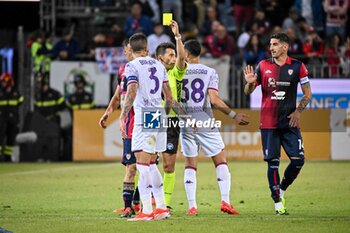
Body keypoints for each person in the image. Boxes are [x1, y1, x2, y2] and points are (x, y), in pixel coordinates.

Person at [243, 33, 312, 215]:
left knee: (298, 161)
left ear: (285, 47)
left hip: (290, 123)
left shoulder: (298, 66)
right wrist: (250, 84)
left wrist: (298, 111)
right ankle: (277, 202)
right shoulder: (263, 65)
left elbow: (307, 94)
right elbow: (248, 90)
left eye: (275, 44)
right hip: (269, 124)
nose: (271, 48)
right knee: (272, 163)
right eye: (270, 44)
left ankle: (281, 190)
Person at [120, 33, 185, 221]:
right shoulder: (158, 65)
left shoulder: (131, 66)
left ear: (130, 50)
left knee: (142, 164)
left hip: (144, 115)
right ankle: (162, 208)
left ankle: (147, 210)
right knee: (150, 163)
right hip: (158, 114)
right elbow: (169, 97)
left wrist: (123, 116)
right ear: (147, 48)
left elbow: (131, 91)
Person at [180, 39, 249, 215]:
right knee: (220, 160)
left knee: (190, 164)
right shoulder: (210, 72)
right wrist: (234, 115)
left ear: (186, 54)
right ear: (199, 53)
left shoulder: (178, 72)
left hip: (185, 121)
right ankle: (225, 201)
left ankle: (192, 206)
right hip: (204, 120)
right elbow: (215, 100)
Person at [99, 39, 141, 218]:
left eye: (127, 48)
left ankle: (142, 204)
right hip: (130, 125)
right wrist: (108, 113)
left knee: (147, 167)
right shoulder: (123, 70)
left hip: (147, 123)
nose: (126, 51)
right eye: (125, 48)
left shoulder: (148, 67)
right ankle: (128, 206)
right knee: (131, 167)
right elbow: (118, 96)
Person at [155, 20, 187, 210]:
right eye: (171, 54)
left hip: (171, 121)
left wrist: (177, 36)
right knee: (144, 161)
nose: (175, 57)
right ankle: (135, 202)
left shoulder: (176, 72)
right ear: (160, 58)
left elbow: (182, 58)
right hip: (152, 118)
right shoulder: (151, 71)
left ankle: (164, 204)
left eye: (175, 54)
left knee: (168, 165)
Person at [0, 73, 24, 162]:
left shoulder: (16, 92)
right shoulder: (0, 92)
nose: (2, 83)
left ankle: (7, 156)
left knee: (11, 138)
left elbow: (20, 101)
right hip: (2, 118)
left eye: (4, 82)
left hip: (12, 119)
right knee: (0, 137)